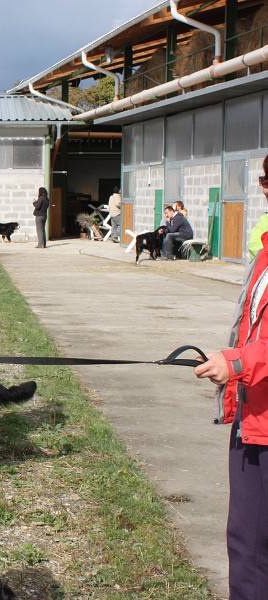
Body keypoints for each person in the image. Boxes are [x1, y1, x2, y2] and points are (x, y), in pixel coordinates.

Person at [193, 153, 268, 600]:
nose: (265, 187)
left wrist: (238, 363)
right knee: (246, 543)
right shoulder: (265, 251)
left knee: (253, 548)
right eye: (265, 179)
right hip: (251, 414)